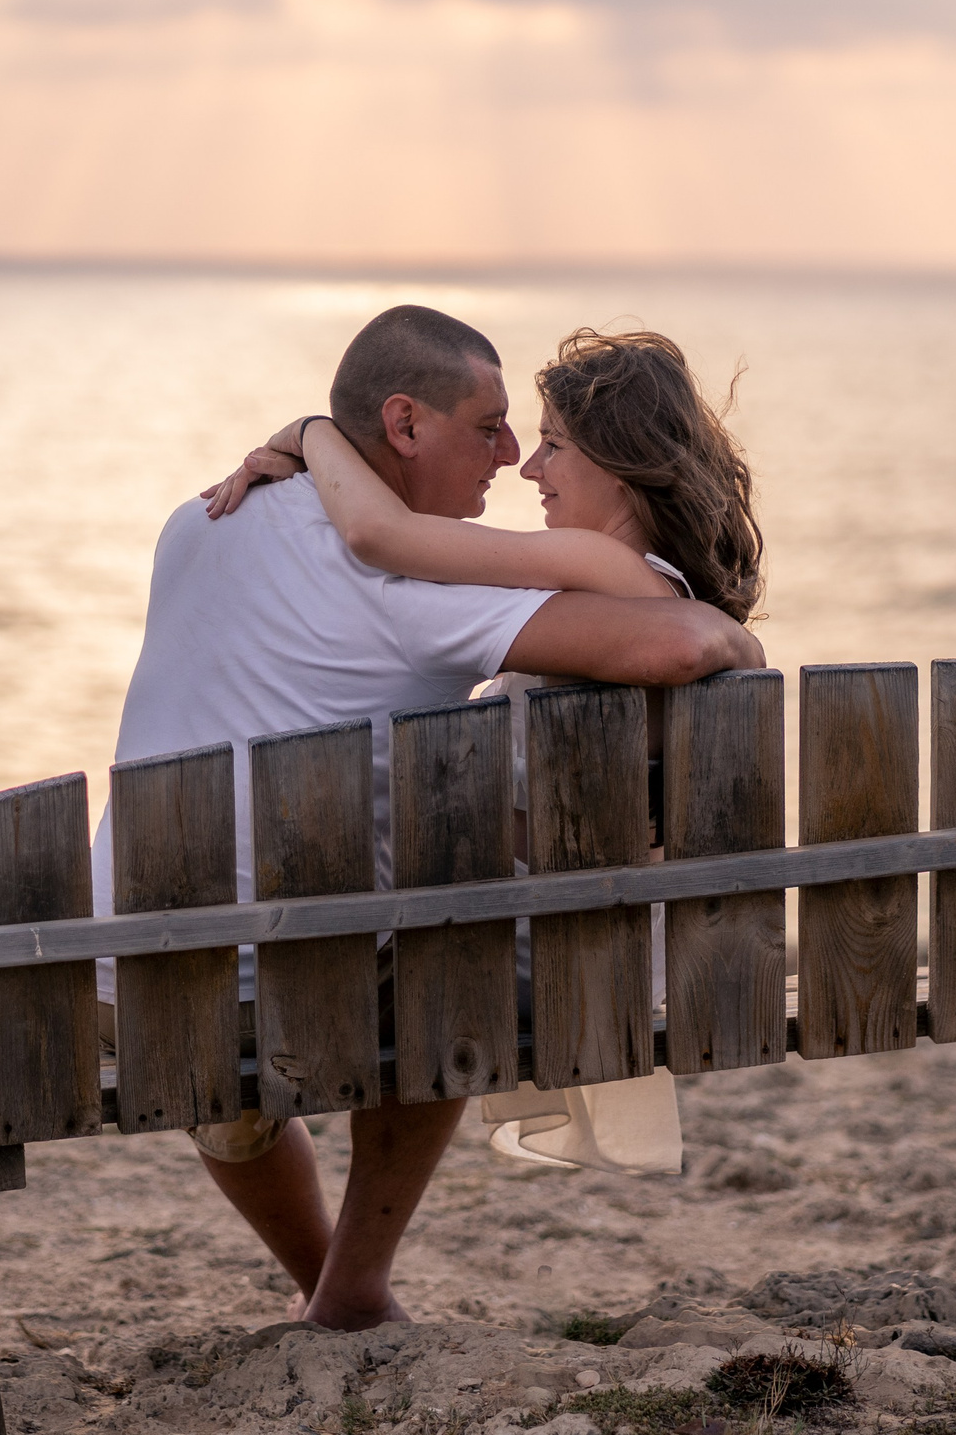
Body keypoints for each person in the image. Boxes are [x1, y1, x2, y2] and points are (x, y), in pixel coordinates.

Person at [95, 306, 762, 1333]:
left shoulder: (198, 520)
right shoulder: (411, 578)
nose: (511, 457)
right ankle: (352, 1292)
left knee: (412, 914)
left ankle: (342, 1291)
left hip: (120, 974)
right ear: (403, 427)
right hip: (270, 982)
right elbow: (671, 643)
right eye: (488, 427)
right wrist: (734, 641)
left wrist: (308, 435)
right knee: (453, 947)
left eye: (536, 439)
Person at [205, 328, 764, 1177]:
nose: (529, 468)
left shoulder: (594, 575)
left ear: (620, 463)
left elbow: (377, 536)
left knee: (327, 948)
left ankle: (305, 1217)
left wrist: (310, 434)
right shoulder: (652, 588)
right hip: (610, 951)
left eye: (553, 444)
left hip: (547, 972)